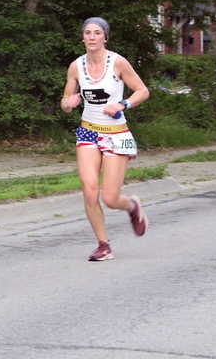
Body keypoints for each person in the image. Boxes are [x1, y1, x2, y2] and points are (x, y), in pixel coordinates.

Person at [60, 17, 150, 261]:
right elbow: (66, 101)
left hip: (116, 134)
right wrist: (69, 103)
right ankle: (103, 244)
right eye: (87, 32)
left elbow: (143, 91)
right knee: (89, 192)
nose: (91, 37)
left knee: (110, 198)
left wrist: (122, 104)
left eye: (97, 33)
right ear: (83, 37)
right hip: (88, 131)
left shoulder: (118, 63)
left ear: (105, 38)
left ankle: (131, 206)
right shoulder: (76, 66)